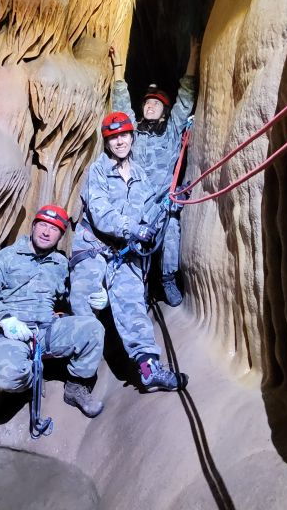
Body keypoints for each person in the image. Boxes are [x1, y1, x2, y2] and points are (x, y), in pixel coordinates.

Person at [69, 112, 188, 392]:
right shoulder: (97, 171)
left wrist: (170, 205)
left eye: (123, 135)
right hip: (93, 250)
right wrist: (133, 228)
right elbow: (100, 213)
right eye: (113, 138)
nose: (119, 142)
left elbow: (149, 210)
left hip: (124, 253)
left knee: (133, 303)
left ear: (132, 137)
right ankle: (77, 383)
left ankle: (149, 369)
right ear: (106, 142)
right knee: (84, 306)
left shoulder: (141, 174)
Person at [0, 205, 105, 417]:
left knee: (93, 329)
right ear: (33, 227)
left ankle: (76, 388)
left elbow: (70, 296)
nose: (46, 232)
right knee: (3, 377)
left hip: (47, 331)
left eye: (53, 229)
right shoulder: (7, 256)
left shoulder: (61, 263)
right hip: (14, 333)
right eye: (43, 225)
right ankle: (29, 378)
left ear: (61, 235)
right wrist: (6, 319)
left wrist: (97, 299)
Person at [107, 37, 199, 306]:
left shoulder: (170, 133)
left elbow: (185, 98)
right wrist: (117, 67)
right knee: (130, 240)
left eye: (156, 104)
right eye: (147, 103)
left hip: (162, 203)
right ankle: (139, 287)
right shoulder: (132, 134)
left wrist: (193, 56)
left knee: (171, 231)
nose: (150, 106)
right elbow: (122, 105)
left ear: (163, 112)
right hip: (135, 204)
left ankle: (168, 279)